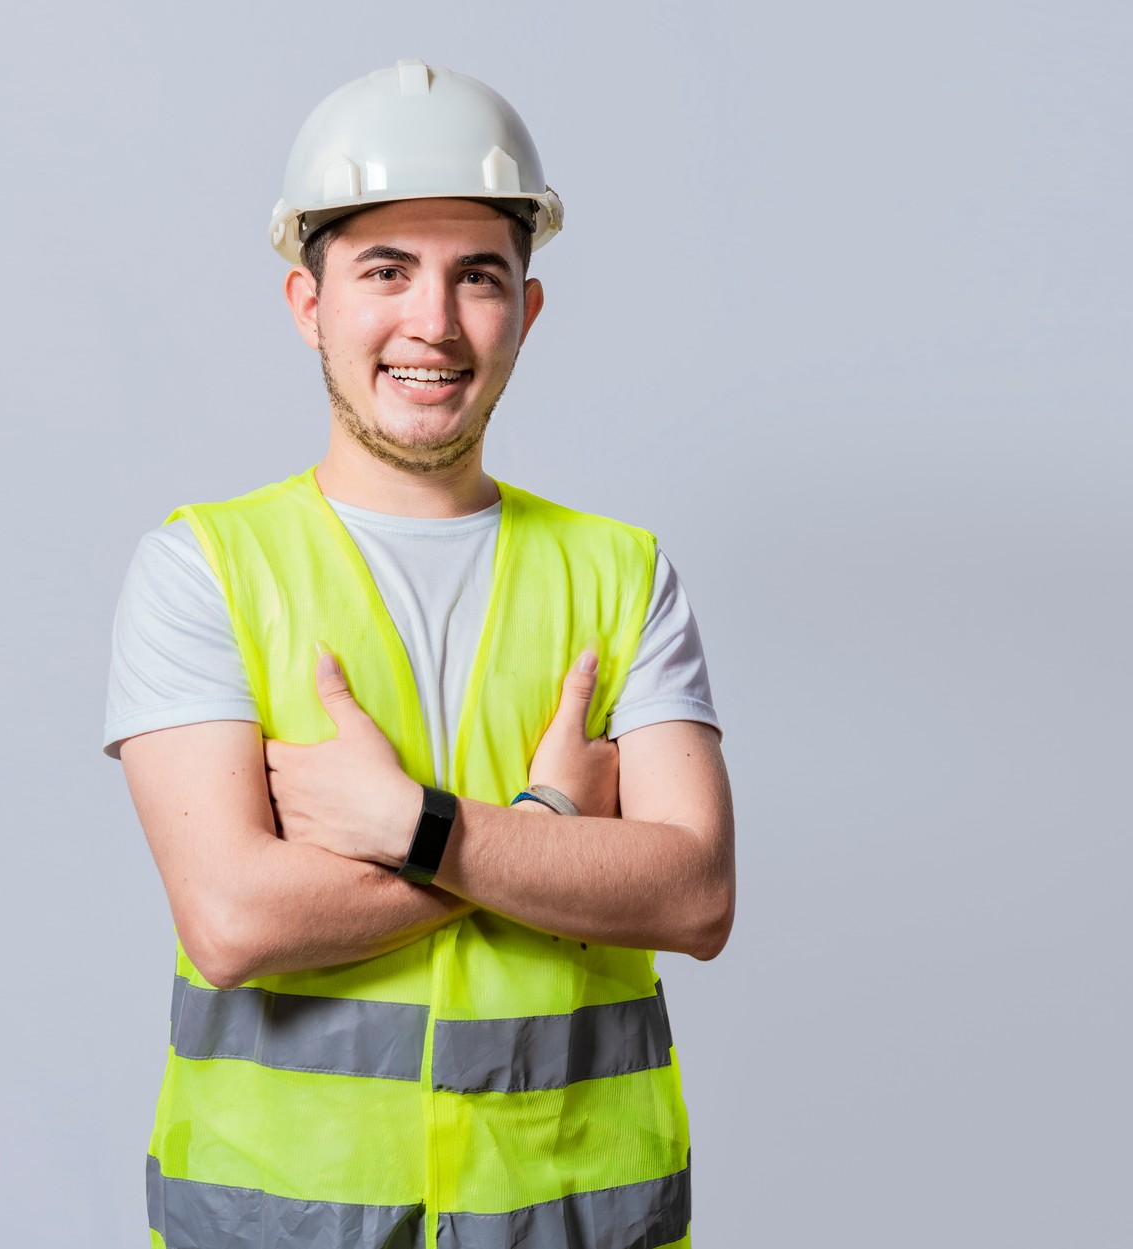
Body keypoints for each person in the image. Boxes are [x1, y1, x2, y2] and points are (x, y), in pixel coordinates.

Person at [104, 59, 735, 1249]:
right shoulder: (205, 570)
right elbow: (235, 918)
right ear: (309, 302)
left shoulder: (623, 572)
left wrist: (411, 823)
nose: (432, 324)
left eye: (477, 278)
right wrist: (549, 823)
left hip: (577, 1222)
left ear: (527, 310)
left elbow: (694, 896)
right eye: (385, 271)